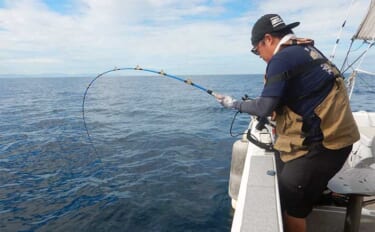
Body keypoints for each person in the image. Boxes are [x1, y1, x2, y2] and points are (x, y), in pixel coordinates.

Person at [217, 14, 360, 232]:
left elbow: (264, 107)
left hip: (323, 148)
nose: (260, 56)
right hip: (340, 142)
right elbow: (302, 95)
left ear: (268, 39)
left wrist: (233, 103)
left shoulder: (281, 59)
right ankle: (312, 194)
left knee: (289, 202)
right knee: (289, 181)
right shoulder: (307, 50)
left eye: (257, 51)